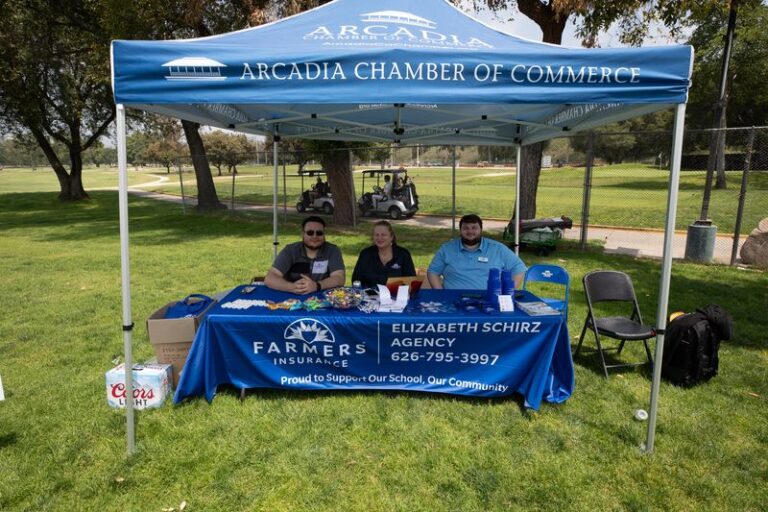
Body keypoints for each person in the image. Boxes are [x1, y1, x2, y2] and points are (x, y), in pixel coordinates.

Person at [427, 214, 526, 290]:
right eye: (466, 228)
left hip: (488, 300)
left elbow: (519, 268)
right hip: (453, 301)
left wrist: (507, 292)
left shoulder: (497, 248)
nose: (470, 232)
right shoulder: (447, 249)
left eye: (474, 228)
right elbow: (433, 272)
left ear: (481, 229)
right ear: (460, 230)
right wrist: (440, 294)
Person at [264, 216, 345, 294]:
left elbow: (339, 278)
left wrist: (317, 286)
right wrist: (292, 287)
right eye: (310, 232)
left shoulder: (332, 250)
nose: (315, 236)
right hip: (292, 299)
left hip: (322, 299)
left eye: (319, 233)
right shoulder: (290, 250)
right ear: (302, 234)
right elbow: (270, 278)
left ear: (324, 235)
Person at [352, 220, 416, 288]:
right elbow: (356, 280)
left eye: (383, 235)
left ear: (391, 237)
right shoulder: (365, 254)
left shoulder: (403, 255)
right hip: (369, 296)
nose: (379, 238)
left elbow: (411, 281)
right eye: (377, 235)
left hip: (397, 296)